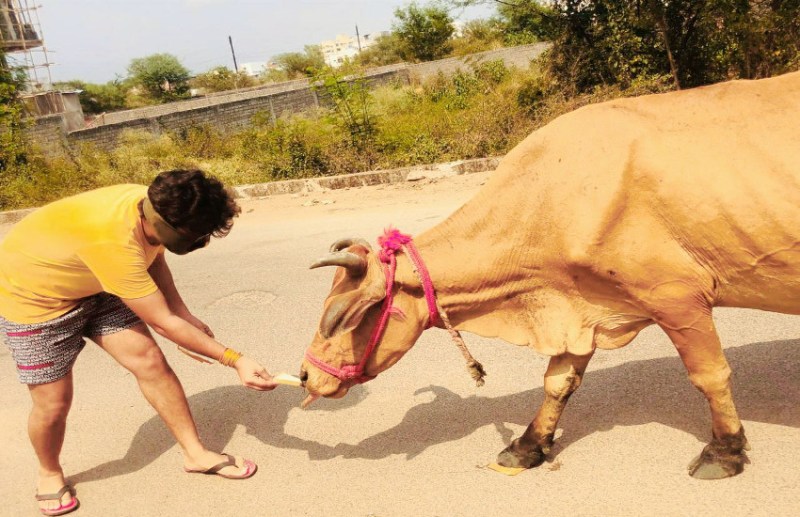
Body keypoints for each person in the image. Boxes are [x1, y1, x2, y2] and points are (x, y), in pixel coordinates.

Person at [0, 169, 278, 516]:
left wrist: (182, 311)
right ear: (165, 224)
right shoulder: (110, 240)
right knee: (53, 403)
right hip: (35, 301)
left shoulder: (152, 204)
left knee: (149, 361)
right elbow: (163, 322)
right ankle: (49, 471)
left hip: (95, 279)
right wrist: (234, 358)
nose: (202, 242)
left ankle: (195, 453)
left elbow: (154, 256)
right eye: (196, 236)